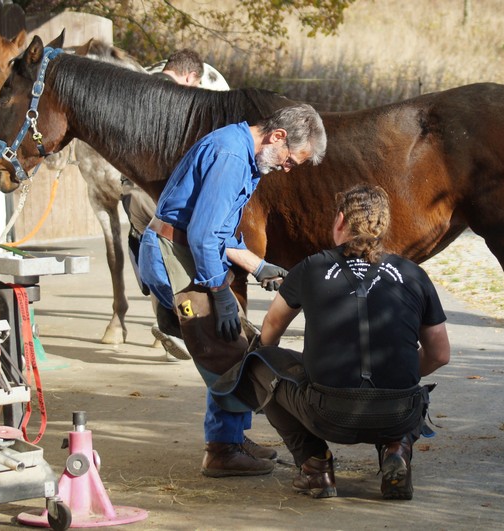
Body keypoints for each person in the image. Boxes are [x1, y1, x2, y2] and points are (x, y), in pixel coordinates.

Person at [211, 184, 451, 500]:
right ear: (383, 227)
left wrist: (267, 362)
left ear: (340, 221)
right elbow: (440, 354)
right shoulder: (413, 274)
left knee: (258, 365)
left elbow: (271, 327)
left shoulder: (311, 267)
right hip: (399, 414)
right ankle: (397, 449)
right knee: (404, 387)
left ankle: (315, 466)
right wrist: (400, 375)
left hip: (327, 414)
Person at [138, 103, 328, 477]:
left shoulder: (243, 152)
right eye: (291, 160)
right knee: (229, 351)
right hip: (173, 256)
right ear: (278, 137)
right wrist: (221, 294)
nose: (286, 169)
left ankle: (233, 437)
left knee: (234, 343)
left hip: (186, 252)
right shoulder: (231, 157)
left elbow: (219, 233)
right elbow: (203, 236)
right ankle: (222, 450)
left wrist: (258, 266)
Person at [121, 48, 208, 362]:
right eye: (195, 85)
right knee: (175, 260)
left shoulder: (136, 91)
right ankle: (178, 328)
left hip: (131, 193)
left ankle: (165, 325)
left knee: (148, 254)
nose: (194, 91)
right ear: (188, 75)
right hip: (162, 193)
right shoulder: (176, 98)